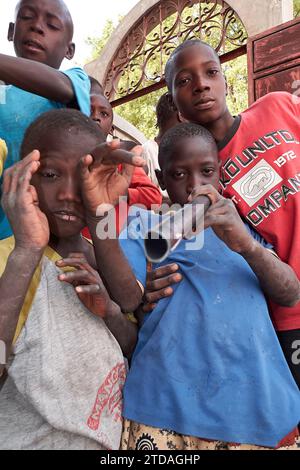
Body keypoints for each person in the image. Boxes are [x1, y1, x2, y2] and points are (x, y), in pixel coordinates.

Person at [114, 122, 300, 450]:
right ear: (161, 180)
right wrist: (142, 292)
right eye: (179, 174)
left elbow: (290, 293)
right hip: (162, 409)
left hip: (254, 411)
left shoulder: (242, 225)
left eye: (207, 171)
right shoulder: (144, 223)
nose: (195, 186)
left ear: (221, 177)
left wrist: (247, 246)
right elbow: (124, 295)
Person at [147, 39, 300, 390]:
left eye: (211, 72)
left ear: (226, 81)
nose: (201, 84)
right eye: (184, 80)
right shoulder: (200, 180)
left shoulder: (278, 107)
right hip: (290, 311)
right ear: (175, 102)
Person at [0, 108, 146, 449]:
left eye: (83, 177)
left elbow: (130, 320)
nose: (69, 193)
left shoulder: (102, 255)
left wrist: (108, 311)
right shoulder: (11, 258)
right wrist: (27, 251)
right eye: (51, 175)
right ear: (23, 178)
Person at [0, 0, 91, 240]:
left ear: (69, 50)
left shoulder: (73, 79)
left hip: (52, 229)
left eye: (52, 25)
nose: (37, 27)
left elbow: (62, 88)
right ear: (11, 31)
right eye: (27, 17)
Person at [86, 76, 162, 235]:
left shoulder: (121, 161)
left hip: (114, 242)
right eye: (88, 109)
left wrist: (123, 193)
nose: (95, 117)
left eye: (104, 114)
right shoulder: (68, 158)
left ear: (111, 129)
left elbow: (154, 196)